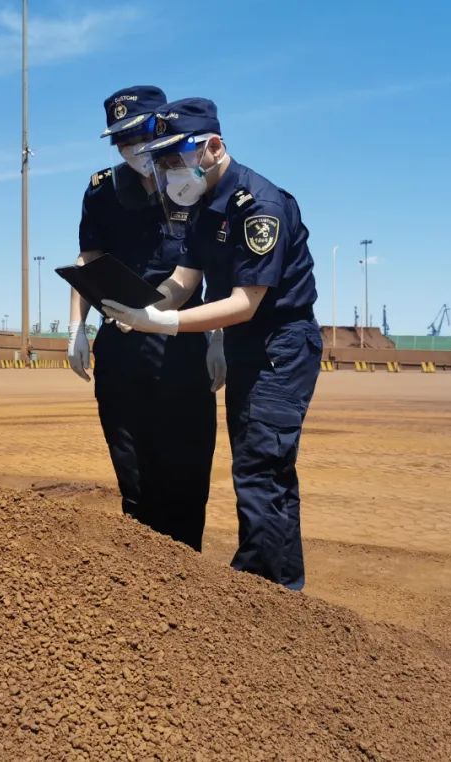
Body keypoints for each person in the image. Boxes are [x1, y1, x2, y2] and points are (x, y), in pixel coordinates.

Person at [102, 98, 322, 590]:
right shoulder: (201, 207)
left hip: (279, 346)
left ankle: (260, 588)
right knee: (264, 466)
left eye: (174, 158)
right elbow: (185, 277)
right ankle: (283, 588)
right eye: (161, 162)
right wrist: (145, 309)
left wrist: (162, 324)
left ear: (213, 147)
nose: (167, 170)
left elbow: (245, 302)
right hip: (249, 347)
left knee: (260, 468)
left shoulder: (259, 206)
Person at [67, 85, 222, 551]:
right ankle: (144, 578)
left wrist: (215, 336)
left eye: (138, 134)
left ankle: (185, 576)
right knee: (132, 472)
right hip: (120, 343)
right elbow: (88, 259)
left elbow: (201, 268)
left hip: (181, 342)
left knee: (186, 472)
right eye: (120, 139)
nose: (129, 148)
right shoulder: (103, 192)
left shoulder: (193, 181)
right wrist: (77, 326)